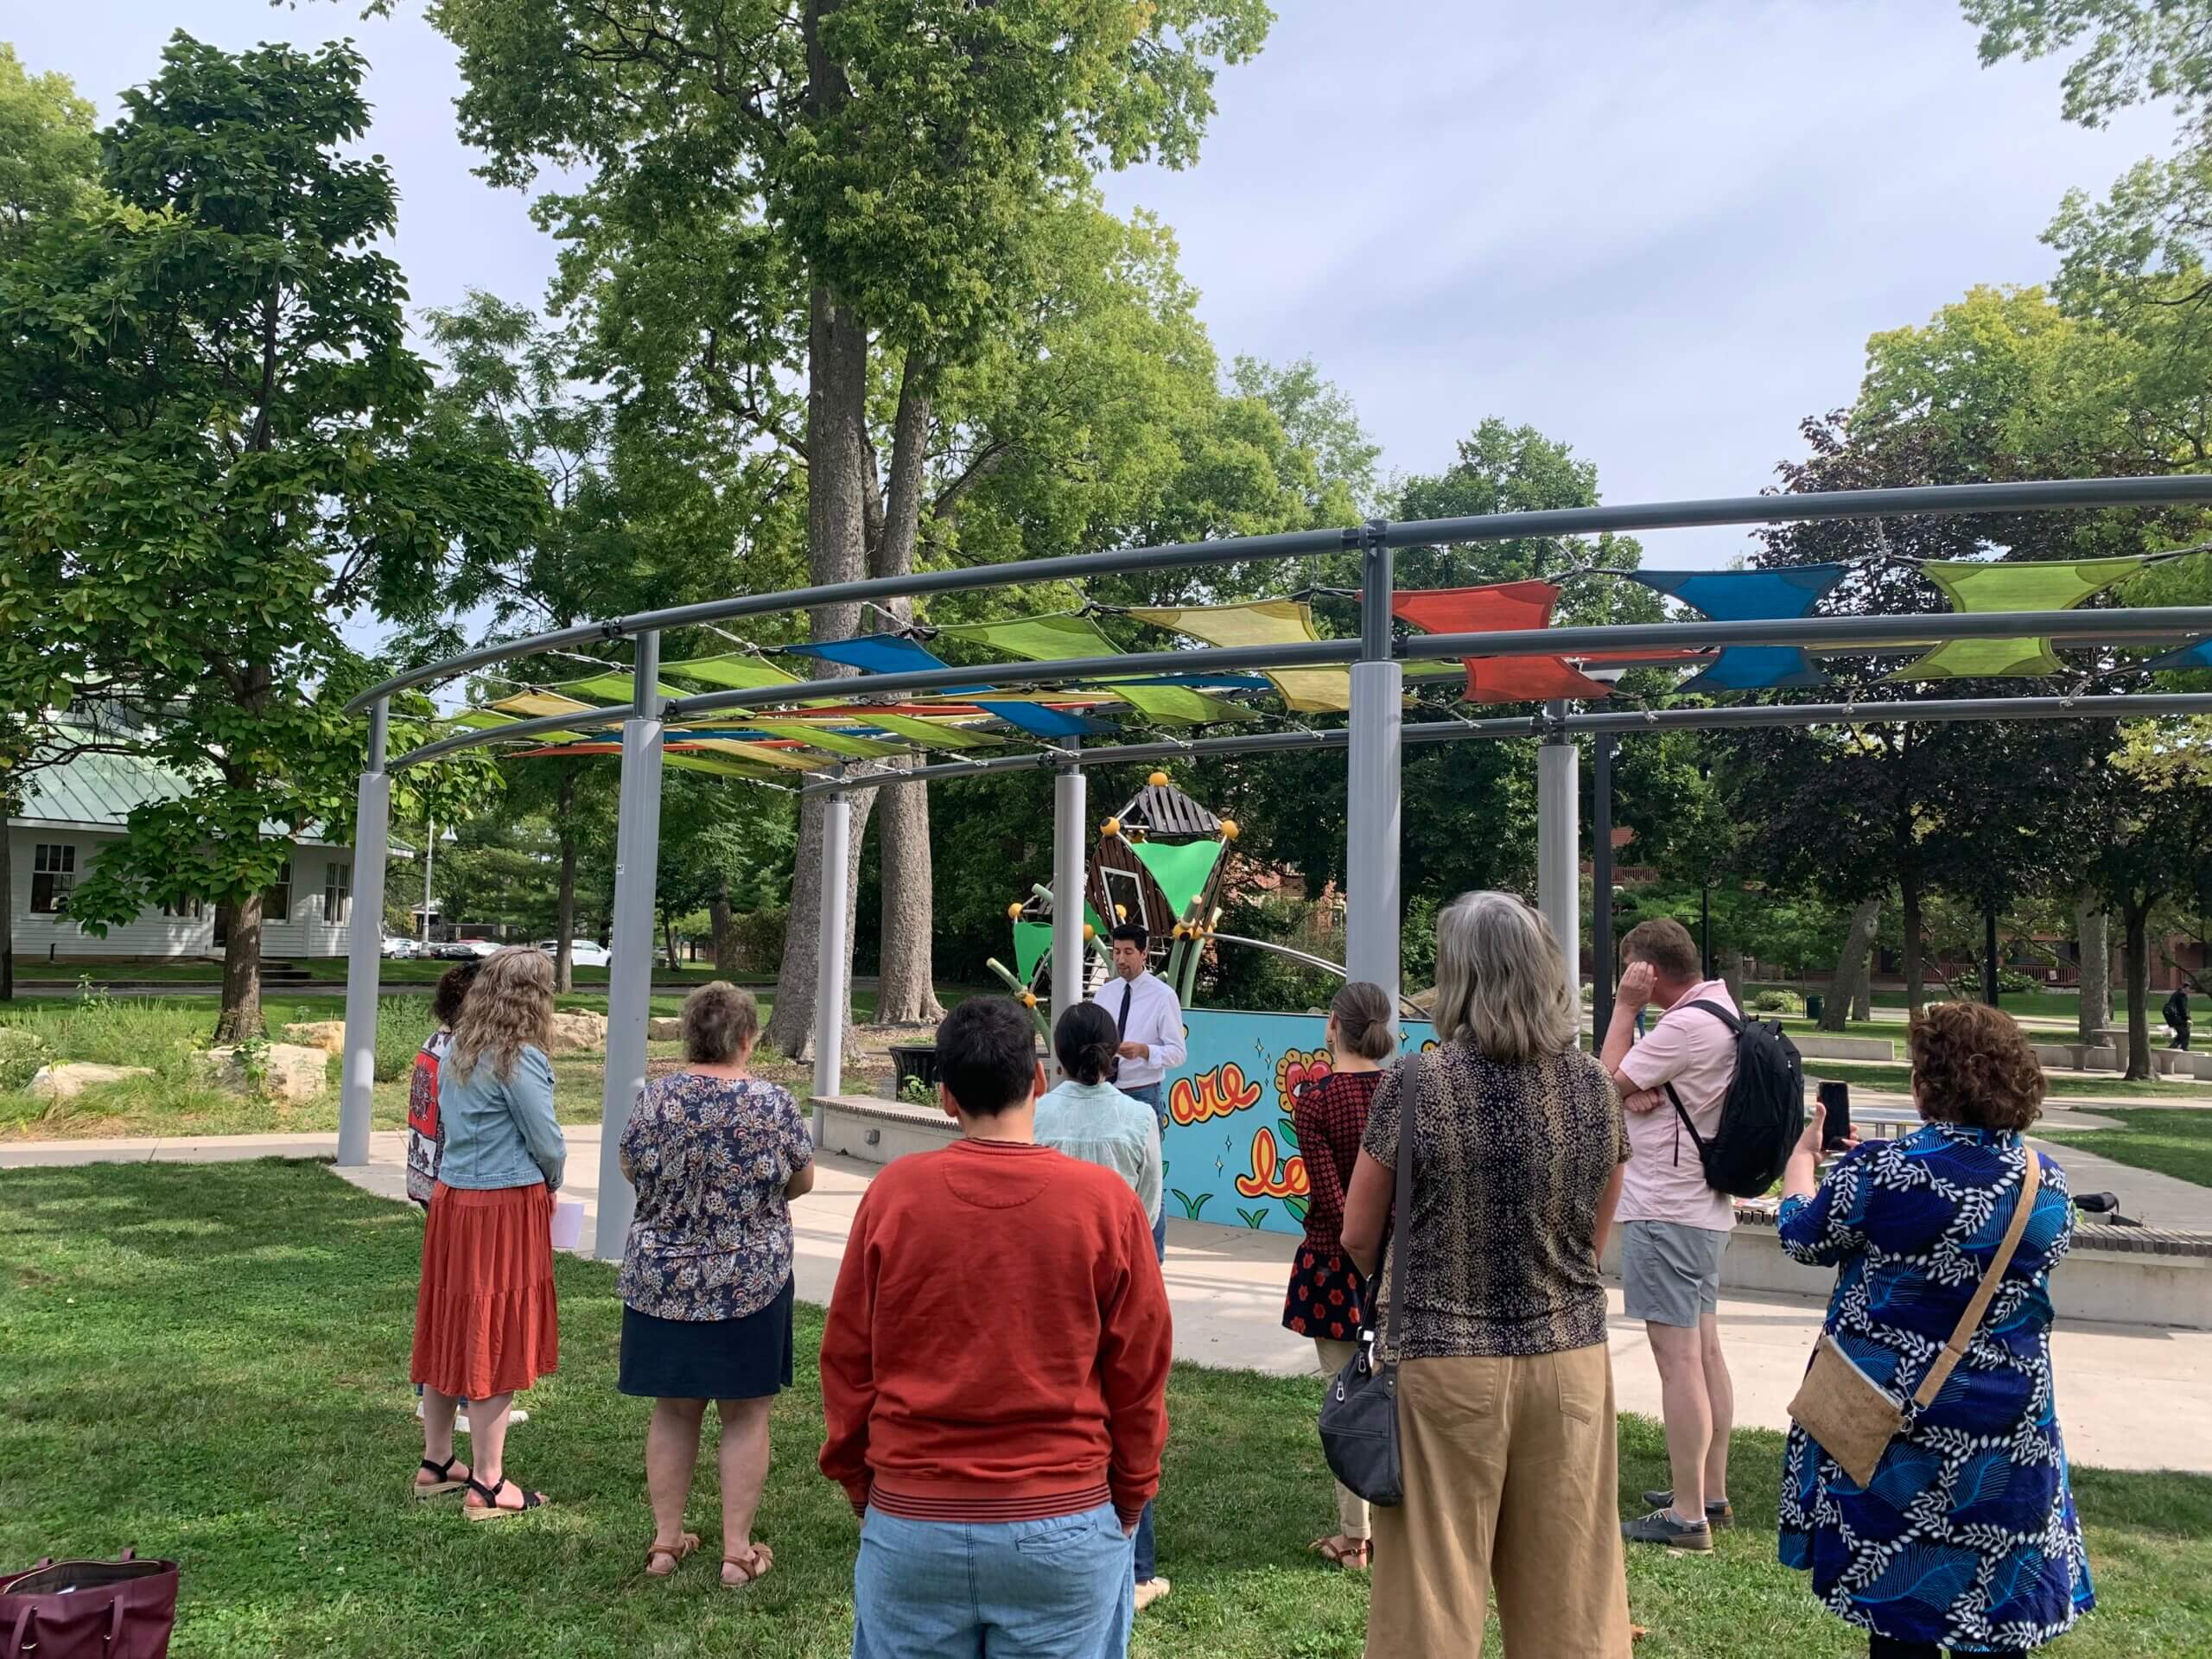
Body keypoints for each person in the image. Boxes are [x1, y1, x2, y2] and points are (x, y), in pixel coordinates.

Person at [820, 996, 1173, 1659]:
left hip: (914, 1520)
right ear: (1039, 1080)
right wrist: (1129, 1497)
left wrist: (865, 1485)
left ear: (946, 1097)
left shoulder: (893, 1197)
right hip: (1064, 1519)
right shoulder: (1106, 1206)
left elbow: (847, 1361)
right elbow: (1142, 1372)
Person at [1340, 892, 1632, 1659]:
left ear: (1458, 976)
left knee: (1430, 1596)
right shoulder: (1593, 1086)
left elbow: (1359, 1233)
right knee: (1574, 1590)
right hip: (1569, 1358)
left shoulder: (1415, 1085)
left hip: (1442, 1360)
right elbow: (1595, 1240)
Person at [1777, 1001, 2092, 1659]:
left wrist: (1802, 1165)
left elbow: (1803, 1237)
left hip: (1893, 1427)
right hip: (2009, 1439)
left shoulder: (1881, 1172)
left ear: (1930, 1083)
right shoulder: (2047, 1185)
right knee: (1999, 1628)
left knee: (1901, 1621)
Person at [619, 982, 816, 1586]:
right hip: (749, 1280)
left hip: (663, 1280)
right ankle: (736, 1552)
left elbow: (631, 1167)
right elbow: (802, 1181)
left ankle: (665, 1543)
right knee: (746, 1415)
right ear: (747, 1038)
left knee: (674, 1412)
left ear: (689, 1036)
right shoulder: (773, 1104)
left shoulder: (655, 1101)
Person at [409, 945, 564, 1519]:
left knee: (451, 1324)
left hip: (454, 1201)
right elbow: (546, 1143)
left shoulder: (455, 1052)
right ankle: (490, 1484)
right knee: (497, 1333)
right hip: (503, 1207)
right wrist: (554, 1180)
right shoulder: (518, 1059)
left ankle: (437, 1463)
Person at [1601, 916, 1740, 1550]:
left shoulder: (1682, 1026)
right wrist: (1636, 1090)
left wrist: (1625, 1007)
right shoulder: (1719, 1011)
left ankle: (1688, 1516)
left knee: (1677, 1360)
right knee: (1706, 1352)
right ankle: (1709, 1488)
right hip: (1704, 1210)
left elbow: (1599, 1089)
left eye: (1632, 970)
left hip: (1666, 1210)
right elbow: (1630, 1088)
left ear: (1647, 970)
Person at [1034, 1000, 1169, 1607]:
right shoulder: (1139, 1119)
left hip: (1045, 1287)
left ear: (1058, 1053)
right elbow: (1150, 1209)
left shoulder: (1036, 1117)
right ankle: (1136, 1566)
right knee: (1131, 1411)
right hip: (1116, 1284)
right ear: (1113, 1051)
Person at [1282, 979, 1395, 1572]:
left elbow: (1332, 1201)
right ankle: (1401, 1527)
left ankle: (1356, 1537)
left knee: (1348, 1400)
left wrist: (1363, 1259)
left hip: (1337, 1264)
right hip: (1401, 1262)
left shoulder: (1317, 1100)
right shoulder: (1404, 1092)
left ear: (1333, 1025)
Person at [1091, 919, 1185, 1610]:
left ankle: (1141, 1259)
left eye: (1127, 953)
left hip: (1142, 1096)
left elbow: (1178, 1054)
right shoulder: (1101, 989)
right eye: (1114, 952)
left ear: (1145, 955)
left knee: (1139, 1200)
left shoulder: (1159, 997)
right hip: (1104, 1094)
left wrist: (1139, 1048)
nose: (1120, 960)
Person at [404, 961, 517, 1436]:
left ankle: (432, 1394)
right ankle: (469, 1398)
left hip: (428, 1175)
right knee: (472, 1292)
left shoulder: (434, 1043)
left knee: (445, 1290)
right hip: (462, 1183)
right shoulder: (464, 1053)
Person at [2164, 983, 2191, 1051]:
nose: (2188, 991)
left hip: (2173, 1018)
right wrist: (2188, 1019)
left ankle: (2173, 1046)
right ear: (2183, 988)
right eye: (2187, 989)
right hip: (2176, 1018)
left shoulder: (2176, 995)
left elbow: (2183, 1009)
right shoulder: (2181, 996)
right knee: (2186, 1032)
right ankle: (2184, 1049)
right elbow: (2183, 1009)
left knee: (2182, 1033)